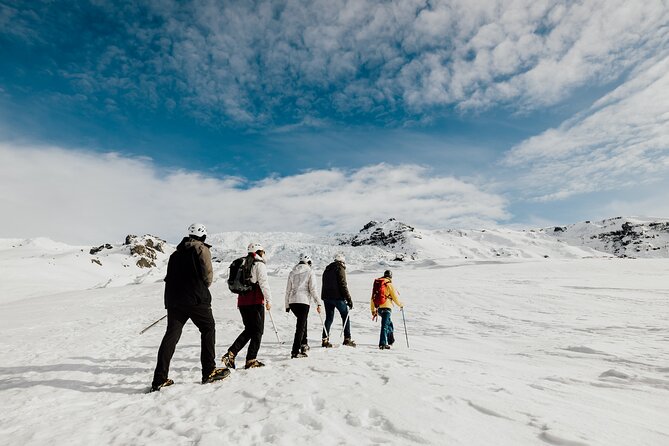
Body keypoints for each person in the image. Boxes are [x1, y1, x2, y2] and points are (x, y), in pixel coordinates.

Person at [151, 223, 229, 392]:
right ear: (203, 236)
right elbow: (207, 275)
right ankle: (208, 371)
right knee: (208, 328)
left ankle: (159, 379)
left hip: (174, 300)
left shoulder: (175, 254)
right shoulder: (201, 249)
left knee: (171, 336)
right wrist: (201, 290)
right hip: (195, 298)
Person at [222, 242, 272, 369]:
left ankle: (231, 354)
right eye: (263, 251)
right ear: (259, 252)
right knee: (258, 331)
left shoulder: (243, 263)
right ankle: (251, 360)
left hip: (242, 302)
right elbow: (264, 283)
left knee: (250, 329)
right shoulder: (259, 264)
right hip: (255, 302)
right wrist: (268, 300)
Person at [285, 254, 322, 358]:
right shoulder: (310, 272)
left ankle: (304, 344)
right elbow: (313, 289)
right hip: (303, 301)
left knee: (302, 322)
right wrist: (318, 303)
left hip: (292, 302)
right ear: (309, 262)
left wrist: (287, 305)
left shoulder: (292, 272)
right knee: (300, 326)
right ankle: (295, 351)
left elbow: (288, 290)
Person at [321, 253, 356, 347]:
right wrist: (349, 299)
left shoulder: (327, 269)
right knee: (345, 315)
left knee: (329, 318)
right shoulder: (339, 268)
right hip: (338, 298)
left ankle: (324, 339)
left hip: (326, 297)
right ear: (342, 261)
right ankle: (347, 339)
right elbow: (343, 284)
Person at [371, 270, 403, 350]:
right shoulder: (389, 284)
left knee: (389, 324)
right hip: (387, 308)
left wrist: (373, 310)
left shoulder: (377, 284)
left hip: (379, 308)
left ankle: (390, 340)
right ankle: (382, 344)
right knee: (384, 326)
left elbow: (372, 298)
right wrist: (401, 305)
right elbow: (395, 297)